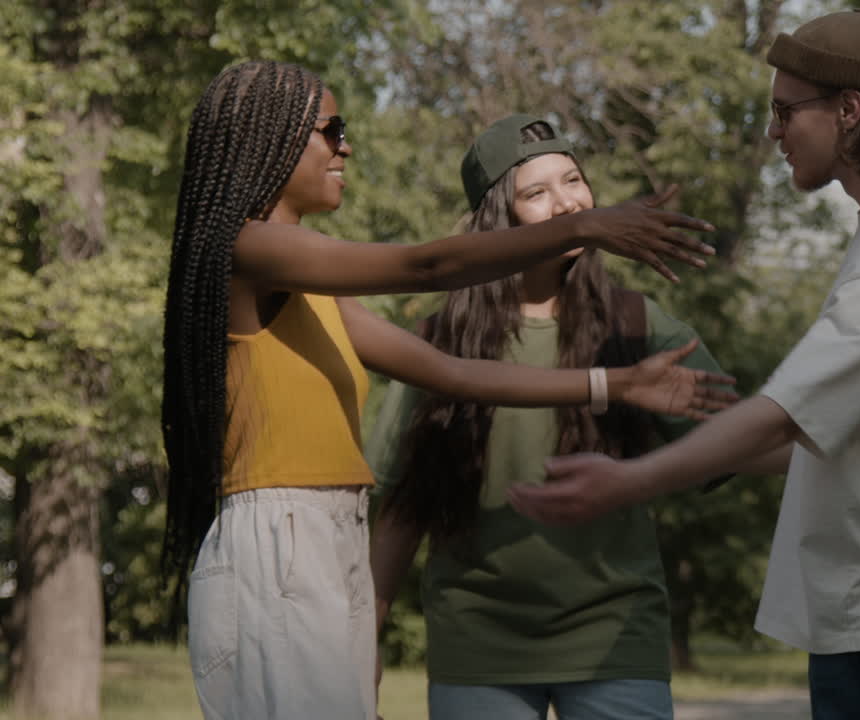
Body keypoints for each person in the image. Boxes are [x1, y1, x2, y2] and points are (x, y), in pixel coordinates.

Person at [160, 60, 732, 720]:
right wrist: (584, 225)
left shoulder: (306, 283)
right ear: (273, 138)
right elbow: (423, 265)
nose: (346, 146)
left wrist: (615, 382)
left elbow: (452, 374)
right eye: (332, 129)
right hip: (281, 542)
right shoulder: (249, 249)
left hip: (323, 537)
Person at [510, 11, 860, 720]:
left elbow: (787, 412)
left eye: (785, 111)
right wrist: (690, 418)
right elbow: (840, 433)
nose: (773, 131)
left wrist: (629, 481)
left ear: (850, 109)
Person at [366, 114, 732, 720]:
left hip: (616, 639)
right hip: (477, 644)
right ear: (496, 220)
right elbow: (402, 509)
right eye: (536, 193)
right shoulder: (437, 340)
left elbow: (744, 438)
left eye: (573, 181)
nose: (567, 204)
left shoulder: (637, 324)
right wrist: (366, 635)